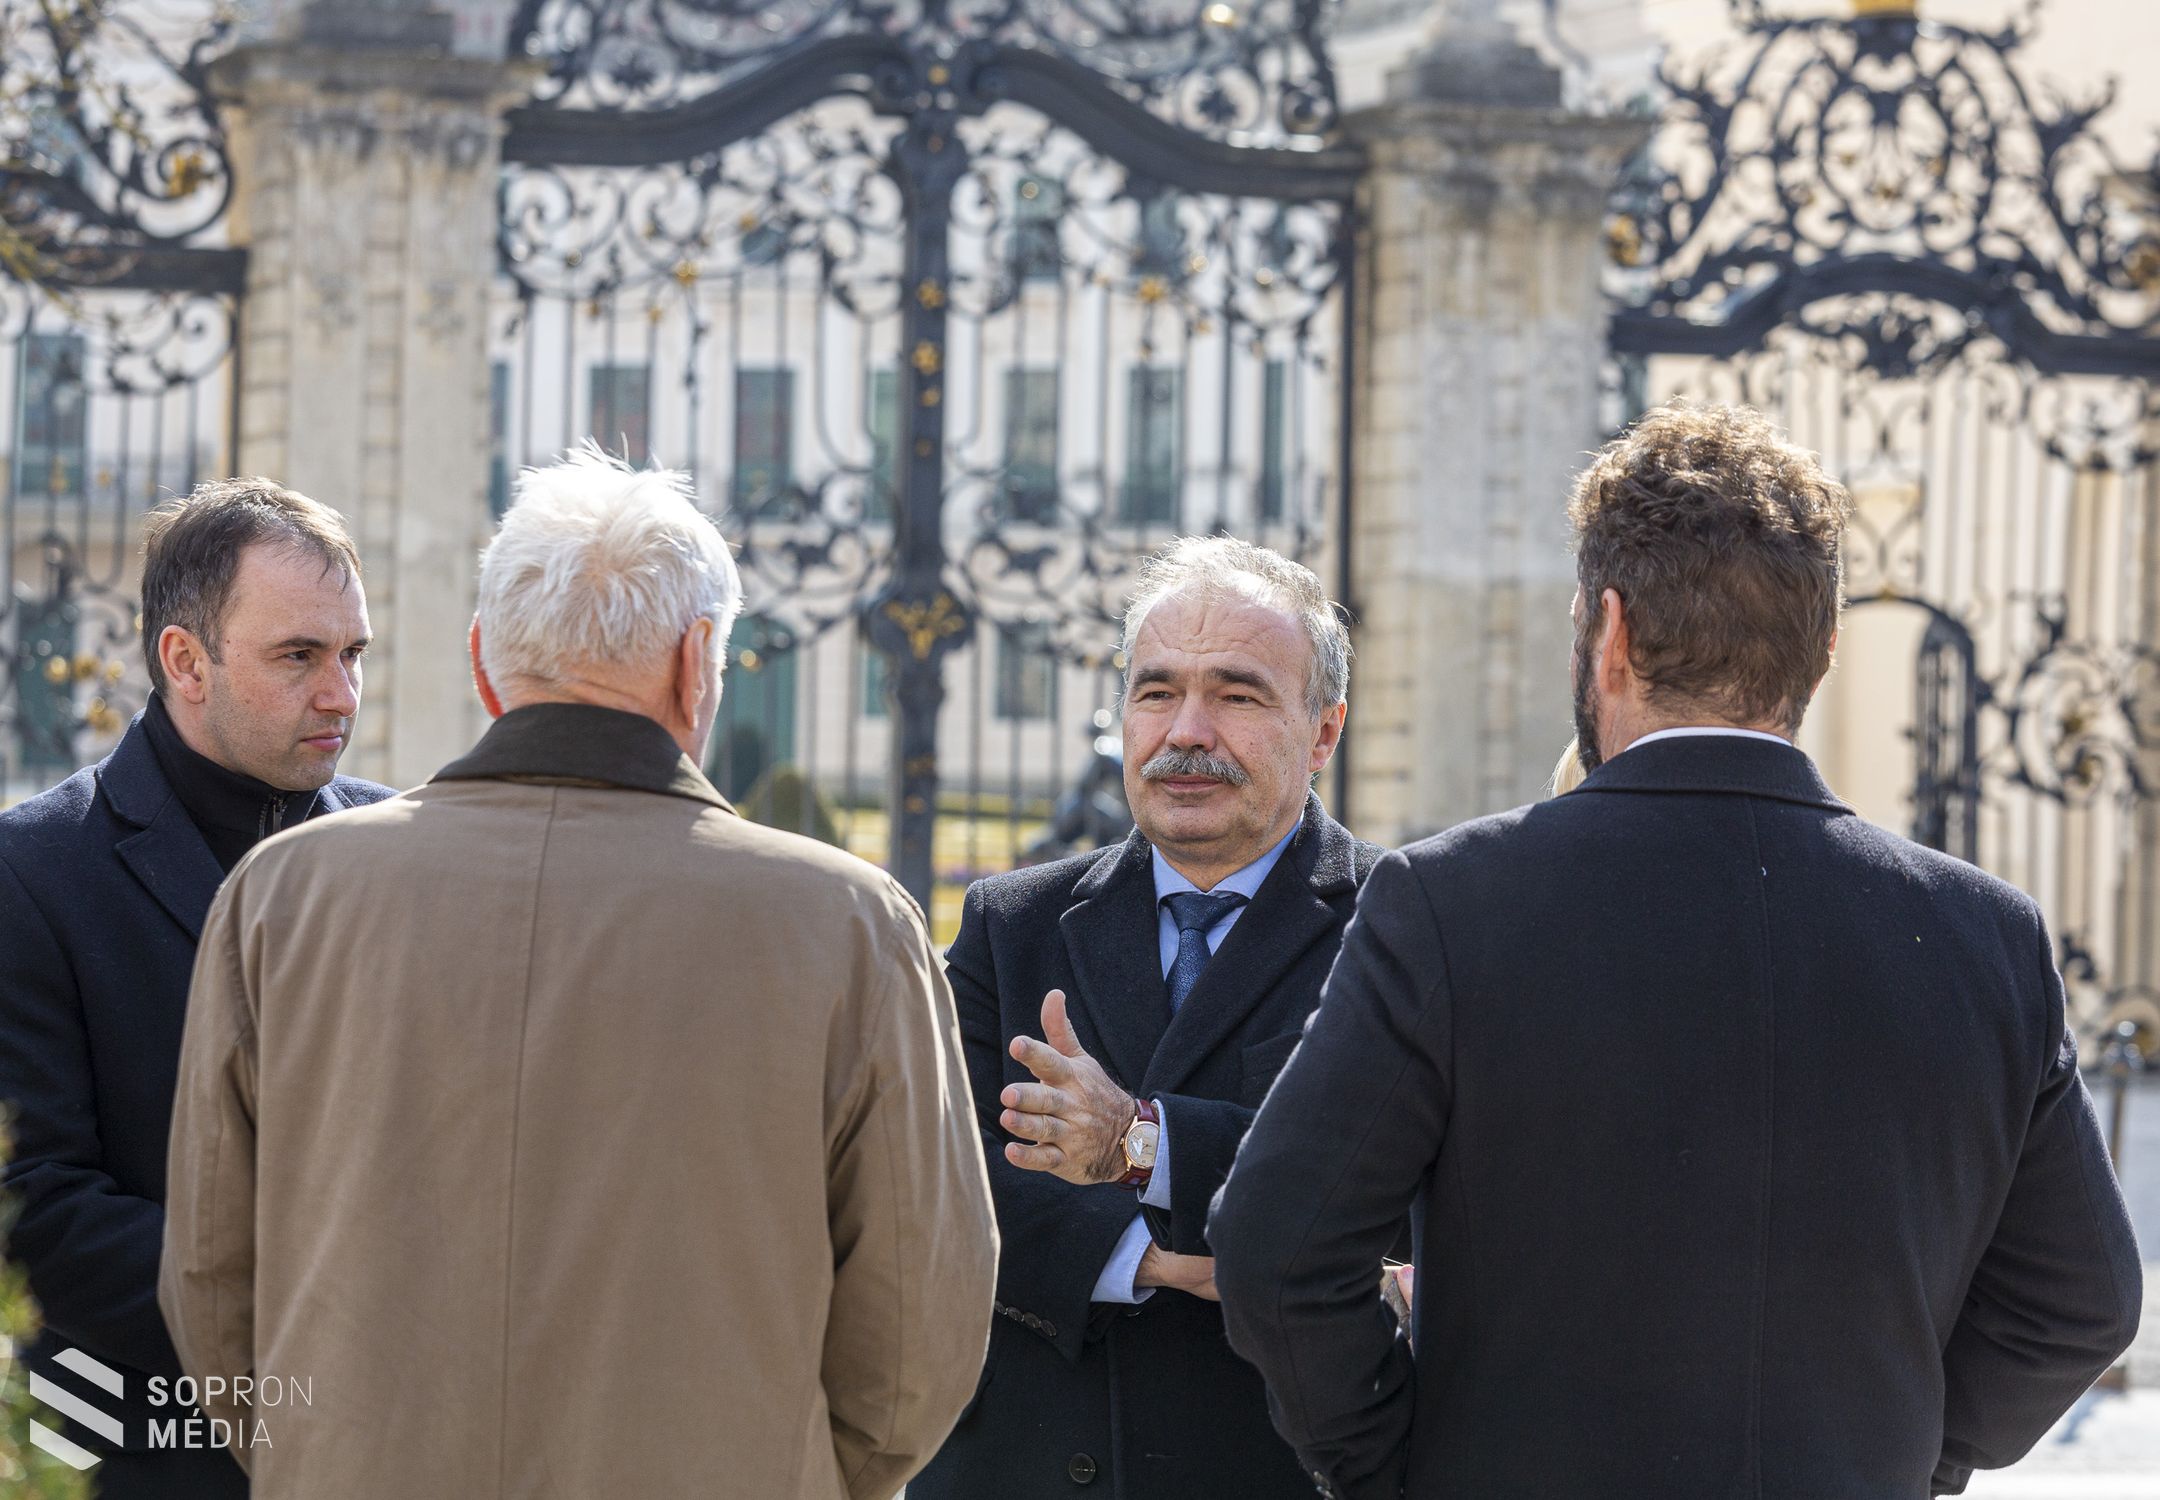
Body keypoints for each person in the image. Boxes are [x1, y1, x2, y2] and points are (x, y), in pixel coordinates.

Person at [1210, 403, 2143, 1500]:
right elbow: (2083, 1300)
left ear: (1608, 631)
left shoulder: (1450, 903)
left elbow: (1276, 1249)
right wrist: (1908, 1449)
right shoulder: (1990, 937)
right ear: (1822, 649)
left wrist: (1391, 1466)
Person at [158, 447, 997, 1500]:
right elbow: (923, 1317)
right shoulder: (849, 923)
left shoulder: (280, 899)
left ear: (481, 663)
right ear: (699, 663)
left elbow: (210, 1280)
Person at [910, 536, 1384, 1500]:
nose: (1187, 732)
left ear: (1324, 730)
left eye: (1239, 695)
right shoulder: (1013, 922)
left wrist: (1138, 1143)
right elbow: (947, 1184)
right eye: (1156, 691)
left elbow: (1388, 1184)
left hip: (1278, 1465)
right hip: (1032, 1463)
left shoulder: (1402, 923)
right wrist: (1158, 1263)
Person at [0, 478, 389, 1498]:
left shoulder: (400, 851)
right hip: (131, 1455)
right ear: (185, 660)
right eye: (299, 656)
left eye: (353, 655)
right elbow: (34, 1211)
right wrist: (332, 1284)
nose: (342, 694)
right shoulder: (31, 873)